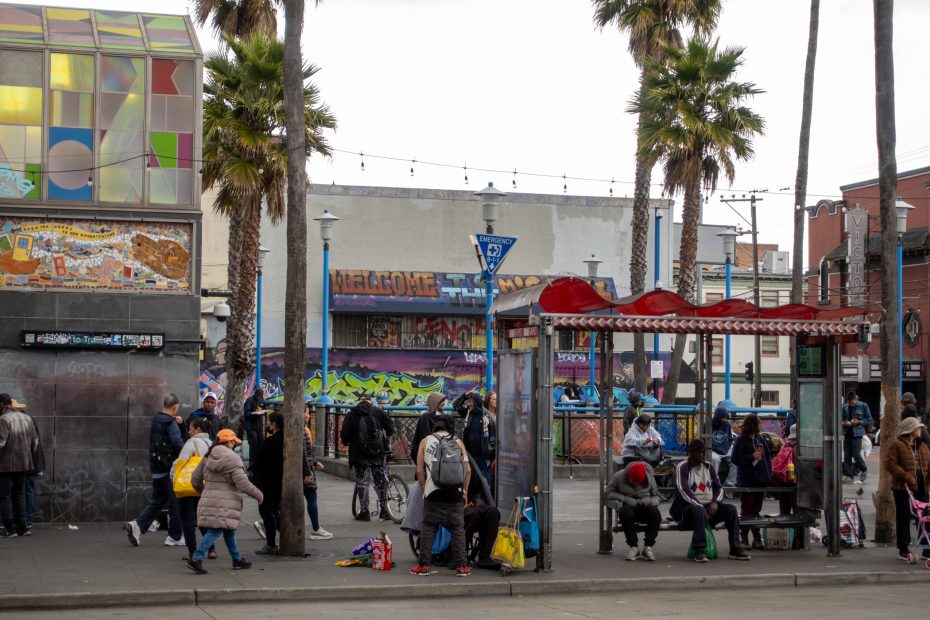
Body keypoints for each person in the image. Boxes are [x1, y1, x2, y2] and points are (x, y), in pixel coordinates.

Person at [186, 429, 263, 574]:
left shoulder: (208, 456)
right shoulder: (233, 458)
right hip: (226, 503)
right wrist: (259, 495)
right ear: (229, 442)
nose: (234, 445)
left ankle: (237, 558)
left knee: (229, 529)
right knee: (215, 531)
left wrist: (205, 492)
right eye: (233, 442)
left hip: (209, 499)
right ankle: (196, 558)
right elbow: (243, 484)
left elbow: (195, 479)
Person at [671, 439, 750, 562]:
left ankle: (735, 549)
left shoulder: (709, 467)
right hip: (688, 510)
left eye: (704, 452)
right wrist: (700, 506)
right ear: (691, 453)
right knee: (698, 510)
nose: (703, 455)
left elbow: (719, 488)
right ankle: (700, 550)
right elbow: (684, 490)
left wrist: (715, 503)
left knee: (731, 510)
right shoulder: (682, 467)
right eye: (699, 452)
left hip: (709, 507)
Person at [411, 414, 471, 577]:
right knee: (458, 528)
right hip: (455, 492)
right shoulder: (458, 442)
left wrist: (424, 490)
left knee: (428, 527)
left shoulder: (425, 441)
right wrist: (464, 492)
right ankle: (462, 567)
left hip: (433, 492)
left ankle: (423, 566)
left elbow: (419, 470)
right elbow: (467, 470)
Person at [125, 394, 185, 547]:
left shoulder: (157, 419)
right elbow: (178, 443)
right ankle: (175, 537)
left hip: (157, 467)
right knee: (175, 503)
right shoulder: (169, 423)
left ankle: (137, 526)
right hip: (168, 468)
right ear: (175, 407)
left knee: (157, 502)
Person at [880, 417, 930, 561]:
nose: (921, 429)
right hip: (903, 487)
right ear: (910, 430)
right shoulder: (896, 445)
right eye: (918, 427)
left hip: (922, 486)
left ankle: (926, 547)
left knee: (925, 517)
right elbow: (890, 464)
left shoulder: (923, 447)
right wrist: (905, 475)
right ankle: (903, 548)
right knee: (904, 516)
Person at [341, 394, 396, 521]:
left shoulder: (351, 414)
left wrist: (348, 441)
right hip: (377, 452)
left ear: (358, 402)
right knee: (380, 481)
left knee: (362, 482)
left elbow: (345, 435)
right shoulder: (378, 411)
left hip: (359, 453)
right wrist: (388, 444)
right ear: (371, 402)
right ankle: (384, 510)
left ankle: (364, 512)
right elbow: (390, 427)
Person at [172, 417, 214, 560]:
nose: (188, 431)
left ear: (197, 429)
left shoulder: (191, 442)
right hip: (204, 486)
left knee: (188, 519)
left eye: (190, 428)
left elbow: (180, 463)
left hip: (188, 484)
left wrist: (174, 478)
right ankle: (211, 549)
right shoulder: (212, 444)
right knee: (202, 518)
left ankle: (192, 551)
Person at [731, 413, 772, 551]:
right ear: (753, 424)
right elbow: (735, 459)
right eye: (759, 423)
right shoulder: (741, 440)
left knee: (756, 510)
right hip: (747, 479)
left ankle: (756, 537)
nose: (761, 425)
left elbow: (767, 456)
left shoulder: (760, 438)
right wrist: (750, 457)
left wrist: (768, 473)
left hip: (759, 478)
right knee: (746, 509)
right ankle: (744, 538)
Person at [605, 461, 661, 561]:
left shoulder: (649, 477)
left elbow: (656, 495)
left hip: (645, 505)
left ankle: (648, 546)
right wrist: (624, 498)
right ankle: (633, 546)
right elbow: (608, 493)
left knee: (655, 514)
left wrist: (651, 501)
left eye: (639, 482)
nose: (636, 484)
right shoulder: (618, 476)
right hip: (628, 505)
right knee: (625, 513)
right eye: (633, 481)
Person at [0, 394, 39, 537]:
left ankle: (10, 529)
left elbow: (1, 442)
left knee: (5, 497)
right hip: (24, 463)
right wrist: (28, 458)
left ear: (2, 405)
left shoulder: (3, 420)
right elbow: (35, 442)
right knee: (19, 495)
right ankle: (23, 528)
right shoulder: (27, 418)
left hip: (6, 465)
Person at [252, 411, 287, 554]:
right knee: (274, 512)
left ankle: (271, 544)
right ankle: (285, 536)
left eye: (268, 422)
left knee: (267, 513)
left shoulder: (271, 441)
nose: (266, 424)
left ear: (274, 424)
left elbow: (258, 461)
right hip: (278, 482)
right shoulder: (286, 439)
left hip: (267, 483)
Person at [454, 392, 497, 489]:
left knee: (486, 477)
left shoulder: (487, 417)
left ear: (476, 402)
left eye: (470, 401)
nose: (468, 404)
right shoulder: (468, 414)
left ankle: (488, 499)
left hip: (483, 455)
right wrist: (464, 395)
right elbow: (456, 405)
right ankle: (471, 497)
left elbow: (493, 437)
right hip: (470, 453)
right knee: (470, 475)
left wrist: (491, 453)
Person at [303, 403, 332, 540]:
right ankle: (316, 528)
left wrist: (314, 462)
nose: (309, 415)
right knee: (311, 497)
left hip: (306, 467)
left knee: (281, 502)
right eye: (307, 412)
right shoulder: (303, 431)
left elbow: (306, 453)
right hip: (305, 471)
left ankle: (267, 523)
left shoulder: (302, 430)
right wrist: (308, 472)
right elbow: (303, 454)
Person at [842, 391, 873, 483]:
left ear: (856, 399)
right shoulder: (844, 407)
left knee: (856, 454)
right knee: (847, 456)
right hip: (847, 433)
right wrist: (844, 423)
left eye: (853, 403)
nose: (851, 405)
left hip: (858, 433)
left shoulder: (863, 406)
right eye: (849, 403)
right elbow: (840, 419)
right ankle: (849, 475)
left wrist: (859, 422)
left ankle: (864, 469)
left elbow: (869, 419)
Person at [410, 392, 446, 463]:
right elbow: (423, 435)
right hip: (428, 451)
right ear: (436, 403)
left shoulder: (442, 416)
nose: (443, 406)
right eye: (441, 403)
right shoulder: (425, 417)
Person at [243, 387, 267, 464]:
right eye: (258, 396)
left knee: (261, 442)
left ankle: (259, 462)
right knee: (254, 444)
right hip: (251, 426)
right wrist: (254, 413)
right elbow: (246, 413)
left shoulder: (262, 400)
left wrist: (263, 411)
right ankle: (252, 464)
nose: (259, 398)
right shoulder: (249, 400)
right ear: (255, 394)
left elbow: (264, 408)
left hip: (259, 426)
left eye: (260, 396)